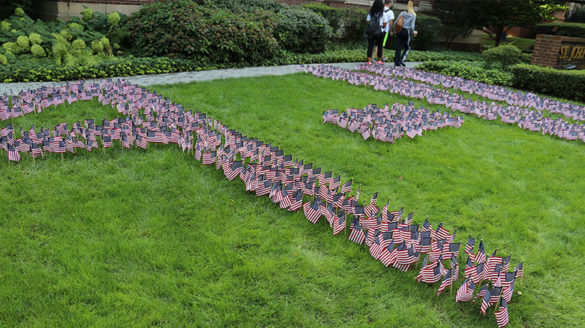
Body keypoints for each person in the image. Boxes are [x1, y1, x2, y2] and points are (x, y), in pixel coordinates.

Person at [394, 0, 417, 67]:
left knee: (398, 46)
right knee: (407, 47)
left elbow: (396, 22)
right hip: (406, 32)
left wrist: (395, 30)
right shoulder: (413, 15)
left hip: (400, 31)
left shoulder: (402, 13)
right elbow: (412, 26)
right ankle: (402, 60)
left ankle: (396, 62)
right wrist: (413, 32)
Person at [366, 0, 388, 65]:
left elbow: (367, 21)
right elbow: (385, 23)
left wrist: (372, 25)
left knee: (370, 45)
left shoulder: (371, 13)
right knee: (380, 46)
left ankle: (369, 60)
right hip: (380, 31)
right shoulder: (383, 13)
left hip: (371, 31)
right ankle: (379, 60)